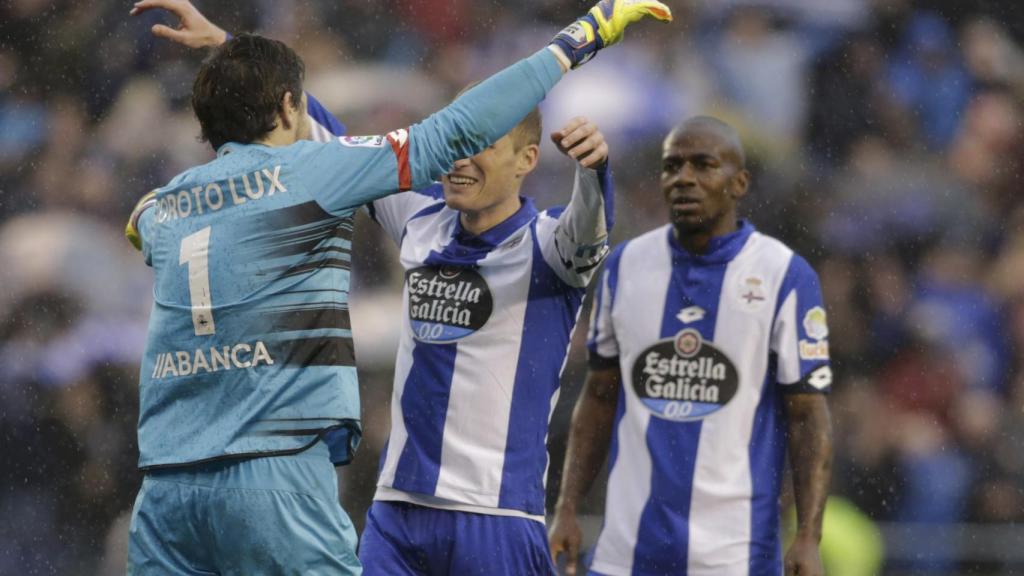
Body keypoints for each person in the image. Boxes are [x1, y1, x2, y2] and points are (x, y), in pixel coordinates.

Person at [122, 1, 672, 574]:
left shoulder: (550, 246)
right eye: (459, 141)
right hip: (397, 510)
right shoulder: (417, 217)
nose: (459, 157)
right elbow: (322, 139)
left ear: (528, 160)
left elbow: (591, 230)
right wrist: (230, 51)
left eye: (481, 141)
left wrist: (595, 170)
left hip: (495, 512)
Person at [548, 117, 833, 576]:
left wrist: (808, 536)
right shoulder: (624, 266)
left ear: (739, 182)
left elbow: (808, 414)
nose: (684, 178)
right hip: (625, 555)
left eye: (703, 165)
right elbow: (599, 396)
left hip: (734, 558)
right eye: (672, 166)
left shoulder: (785, 275)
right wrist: (566, 508)